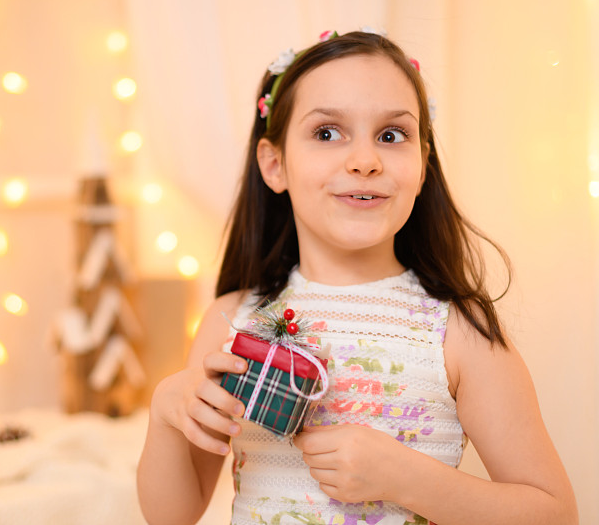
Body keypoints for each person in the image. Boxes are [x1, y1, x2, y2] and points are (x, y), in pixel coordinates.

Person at [137, 30, 578, 525]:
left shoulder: (458, 331)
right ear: (275, 163)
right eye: (327, 133)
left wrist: (407, 478)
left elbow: (555, 514)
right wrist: (164, 412)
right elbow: (170, 516)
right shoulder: (231, 320)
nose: (365, 161)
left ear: (422, 164)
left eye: (391, 136)